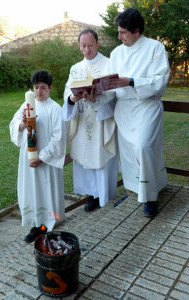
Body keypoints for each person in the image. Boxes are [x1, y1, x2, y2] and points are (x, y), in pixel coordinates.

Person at [99, 8, 170, 216]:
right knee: (130, 153)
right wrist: (94, 93)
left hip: (146, 107)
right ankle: (136, 189)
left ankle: (150, 197)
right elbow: (109, 86)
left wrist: (130, 81)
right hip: (125, 110)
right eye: (119, 31)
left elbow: (160, 82)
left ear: (136, 30)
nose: (119, 36)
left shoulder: (155, 48)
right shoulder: (116, 53)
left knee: (144, 146)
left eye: (123, 32)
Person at [62, 29, 118, 212]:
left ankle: (103, 193)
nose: (87, 49)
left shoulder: (108, 64)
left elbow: (114, 91)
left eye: (90, 45)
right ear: (79, 46)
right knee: (84, 156)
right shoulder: (75, 68)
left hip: (100, 118)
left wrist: (97, 98)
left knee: (99, 154)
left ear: (97, 44)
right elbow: (67, 92)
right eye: (83, 45)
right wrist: (71, 99)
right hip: (81, 116)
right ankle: (90, 194)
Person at [9, 69, 66, 243]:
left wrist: (42, 157)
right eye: (36, 87)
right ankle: (35, 222)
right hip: (28, 157)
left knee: (44, 189)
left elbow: (59, 138)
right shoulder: (26, 106)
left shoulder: (55, 109)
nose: (39, 92)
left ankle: (44, 223)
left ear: (49, 88)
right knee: (31, 189)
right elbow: (13, 124)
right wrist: (21, 124)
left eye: (42, 87)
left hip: (45, 160)